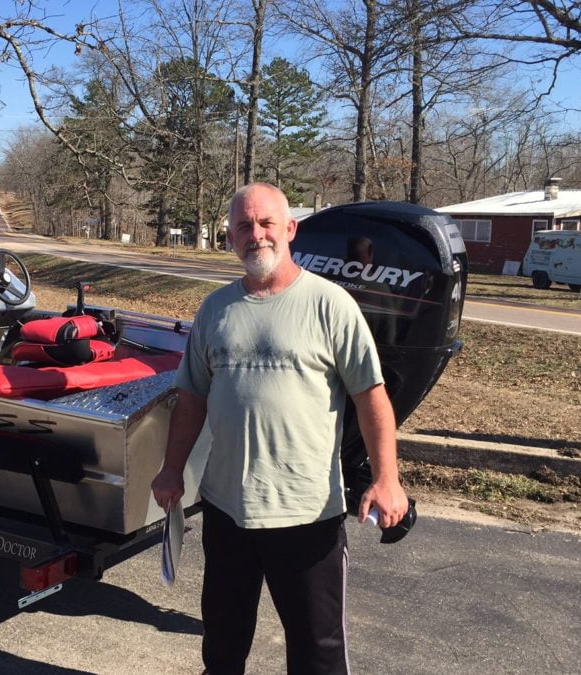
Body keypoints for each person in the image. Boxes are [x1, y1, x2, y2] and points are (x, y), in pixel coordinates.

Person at [151, 183, 409, 674]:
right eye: (244, 226)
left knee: (318, 652)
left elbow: (371, 396)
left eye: (267, 223)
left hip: (306, 513)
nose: (257, 235)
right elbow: (192, 400)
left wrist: (387, 478)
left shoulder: (329, 304)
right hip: (227, 511)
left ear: (290, 230)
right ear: (229, 237)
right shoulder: (215, 310)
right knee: (223, 646)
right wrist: (171, 472)